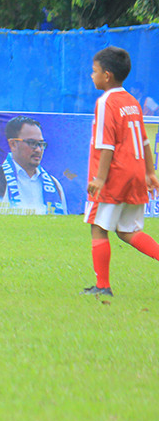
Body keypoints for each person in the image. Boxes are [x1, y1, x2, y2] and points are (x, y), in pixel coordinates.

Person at [81, 46, 159, 296]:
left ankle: (102, 286)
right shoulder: (132, 102)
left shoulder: (106, 102)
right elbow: (144, 141)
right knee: (128, 230)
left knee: (97, 225)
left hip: (114, 176)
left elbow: (106, 145)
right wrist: (150, 172)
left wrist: (100, 178)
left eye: (94, 71)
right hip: (135, 173)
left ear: (107, 75)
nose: (91, 76)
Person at [0, 116, 67, 215]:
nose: (38, 150)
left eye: (41, 144)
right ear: (13, 144)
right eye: (32, 143)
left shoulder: (54, 184)